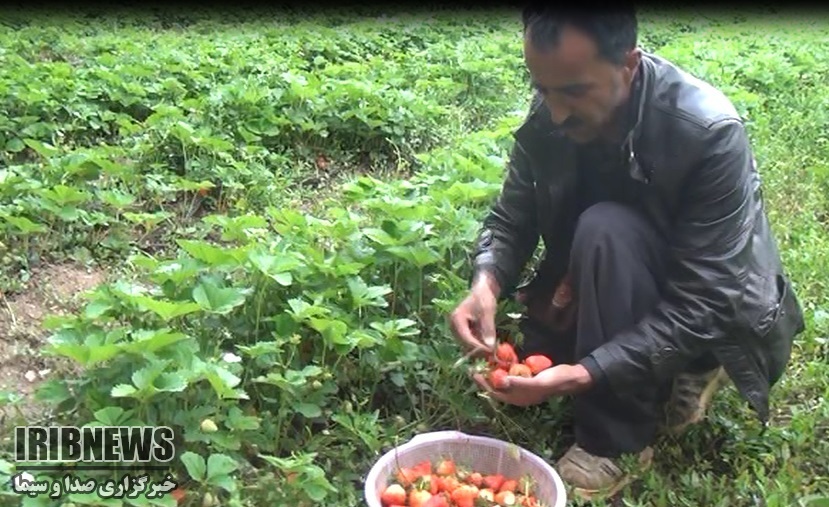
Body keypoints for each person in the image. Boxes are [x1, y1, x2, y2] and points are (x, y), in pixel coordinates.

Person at [449, 4, 806, 500]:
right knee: (548, 334)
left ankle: (618, 438)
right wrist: (485, 284)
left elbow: (707, 299)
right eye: (542, 89)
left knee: (606, 229)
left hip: (710, 308)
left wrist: (584, 374)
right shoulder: (553, 108)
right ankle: (638, 362)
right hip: (612, 268)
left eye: (574, 91)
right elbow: (513, 216)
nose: (555, 111)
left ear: (629, 65)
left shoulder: (708, 132)